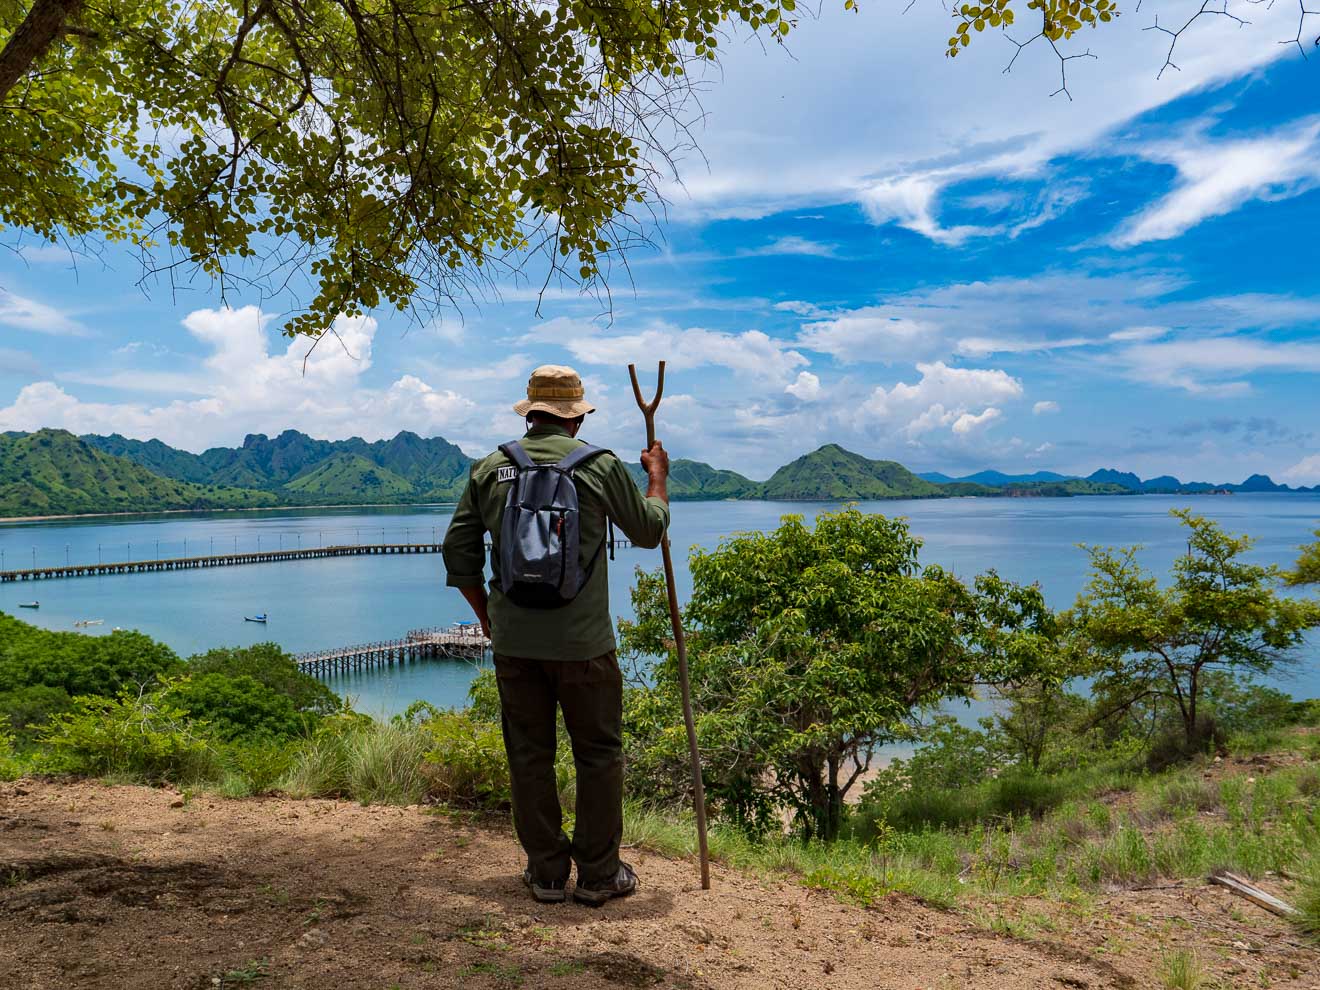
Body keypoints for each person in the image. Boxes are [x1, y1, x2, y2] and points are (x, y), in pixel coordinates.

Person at [442, 364, 670, 906]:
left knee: (529, 755)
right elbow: (648, 531)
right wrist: (657, 478)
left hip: (516, 644)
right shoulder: (601, 465)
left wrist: (485, 614)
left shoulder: (491, 468)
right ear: (576, 416)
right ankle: (597, 874)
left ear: (531, 412)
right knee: (598, 753)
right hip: (585, 643)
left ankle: (545, 872)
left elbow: (458, 552)